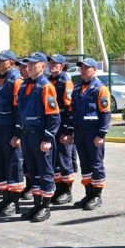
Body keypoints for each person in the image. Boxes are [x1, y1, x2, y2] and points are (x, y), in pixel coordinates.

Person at [12, 52, 61, 222]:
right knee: (33, 172)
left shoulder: (45, 86)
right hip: (27, 136)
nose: (29, 67)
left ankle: (46, 206)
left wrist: (48, 139)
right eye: (28, 64)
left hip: (40, 136)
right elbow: (20, 113)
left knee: (45, 172)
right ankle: (37, 203)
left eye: (34, 64)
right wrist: (18, 134)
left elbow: (54, 116)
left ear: (43, 66)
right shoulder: (24, 86)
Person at [70, 57, 113, 211]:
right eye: (81, 67)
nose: (83, 70)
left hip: (94, 133)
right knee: (85, 164)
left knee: (96, 164)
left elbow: (106, 114)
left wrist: (101, 135)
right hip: (80, 133)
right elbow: (72, 112)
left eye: (87, 68)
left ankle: (97, 196)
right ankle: (88, 193)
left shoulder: (100, 88)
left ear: (94, 70)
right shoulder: (76, 89)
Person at [0, 50, 26, 210]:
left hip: (10, 129)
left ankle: (14, 201)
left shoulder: (16, 81)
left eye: (2, 61)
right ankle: (5, 197)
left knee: (13, 163)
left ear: (11, 62)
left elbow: (20, 111)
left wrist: (17, 134)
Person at [48, 54, 79, 205]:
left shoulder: (65, 81)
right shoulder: (48, 80)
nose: (52, 65)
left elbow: (70, 108)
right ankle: (58, 189)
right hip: (52, 122)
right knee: (55, 160)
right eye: (51, 63)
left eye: (56, 63)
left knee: (65, 158)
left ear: (62, 66)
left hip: (62, 121)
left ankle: (67, 192)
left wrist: (68, 130)